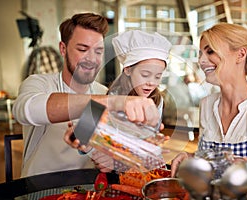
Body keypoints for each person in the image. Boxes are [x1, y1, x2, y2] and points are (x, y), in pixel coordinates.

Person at [12, 13, 161, 177]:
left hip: (89, 187)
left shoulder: (102, 93)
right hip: (38, 188)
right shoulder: (39, 84)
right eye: (83, 49)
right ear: (63, 48)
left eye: (98, 51)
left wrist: (107, 160)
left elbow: (92, 145)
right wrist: (114, 102)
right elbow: (26, 110)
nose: (92, 59)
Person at [170, 23, 247, 199]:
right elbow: (212, 160)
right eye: (200, 54)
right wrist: (191, 156)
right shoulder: (207, 105)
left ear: (240, 54)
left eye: (210, 51)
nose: (201, 60)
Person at [64, 29, 172, 173]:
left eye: (158, 77)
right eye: (145, 74)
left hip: (147, 169)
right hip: (118, 175)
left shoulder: (156, 100)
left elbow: (148, 145)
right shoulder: (108, 99)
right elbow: (82, 141)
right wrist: (95, 150)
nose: (151, 83)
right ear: (127, 70)